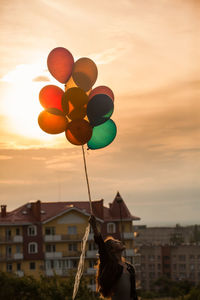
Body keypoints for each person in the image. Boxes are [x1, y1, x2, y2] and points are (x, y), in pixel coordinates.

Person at [89, 215, 138, 300]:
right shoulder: (109, 264)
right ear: (111, 250)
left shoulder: (130, 267)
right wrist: (94, 226)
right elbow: (101, 244)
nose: (119, 241)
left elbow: (133, 293)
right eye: (115, 242)